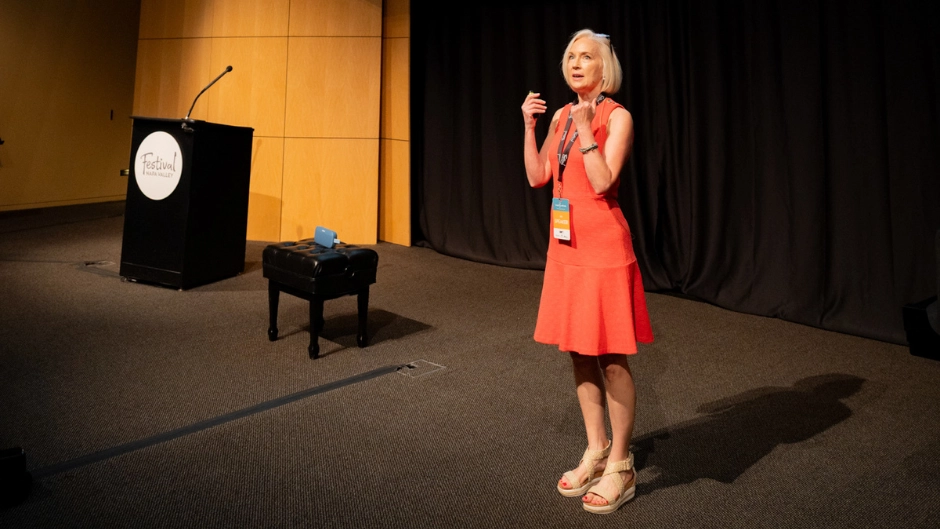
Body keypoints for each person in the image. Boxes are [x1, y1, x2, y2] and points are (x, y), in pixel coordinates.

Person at [520, 29, 654, 514]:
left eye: (586, 57)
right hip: (567, 249)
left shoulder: (617, 117)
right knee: (578, 352)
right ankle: (595, 449)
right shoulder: (559, 114)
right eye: (571, 56)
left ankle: (622, 464)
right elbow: (538, 176)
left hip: (604, 250)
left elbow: (601, 183)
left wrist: (586, 130)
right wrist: (531, 126)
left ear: (605, 68)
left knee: (614, 359)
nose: (576, 64)